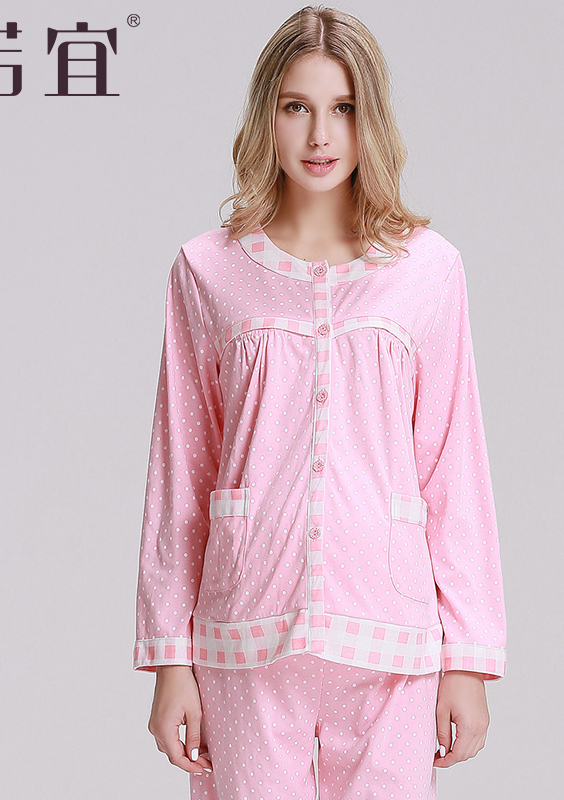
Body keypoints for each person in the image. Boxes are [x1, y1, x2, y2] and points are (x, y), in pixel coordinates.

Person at [133, 5, 506, 799]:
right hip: (243, 636)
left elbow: (453, 469)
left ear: (371, 121)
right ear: (265, 116)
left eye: (343, 108)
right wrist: (170, 657)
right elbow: (180, 476)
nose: (319, 136)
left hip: (393, 642)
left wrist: (468, 660)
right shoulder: (207, 271)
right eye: (296, 107)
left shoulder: (429, 271)